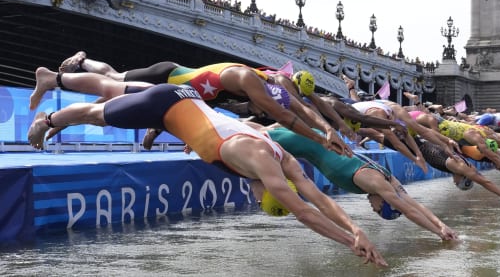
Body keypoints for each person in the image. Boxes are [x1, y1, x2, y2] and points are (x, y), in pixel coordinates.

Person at [27, 81, 386, 266]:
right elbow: (305, 210)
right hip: (167, 102)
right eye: (261, 198)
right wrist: (352, 242)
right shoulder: (261, 159)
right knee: (95, 112)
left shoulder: (285, 160)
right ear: (271, 191)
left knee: (109, 94)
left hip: (186, 105)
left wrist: (356, 228)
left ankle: (62, 116)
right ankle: (48, 120)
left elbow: (319, 198)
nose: (253, 196)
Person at [53, 54, 347, 154]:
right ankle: (82, 61)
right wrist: (321, 139)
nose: (258, 112)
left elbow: (299, 109)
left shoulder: (271, 85)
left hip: (179, 94)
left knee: (122, 96)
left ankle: (154, 129)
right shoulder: (250, 81)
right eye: (261, 107)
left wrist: (325, 129)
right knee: (114, 80)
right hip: (167, 75)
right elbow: (284, 115)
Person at [260, 126, 460, 240]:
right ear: (384, 202)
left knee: (254, 131)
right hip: (300, 142)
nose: (373, 210)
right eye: (379, 211)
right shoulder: (375, 182)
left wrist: (442, 226)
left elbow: (413, 204)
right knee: (254, 137)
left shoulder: (389, 178)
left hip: (309, 139)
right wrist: (438, 233)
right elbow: (409, 211)